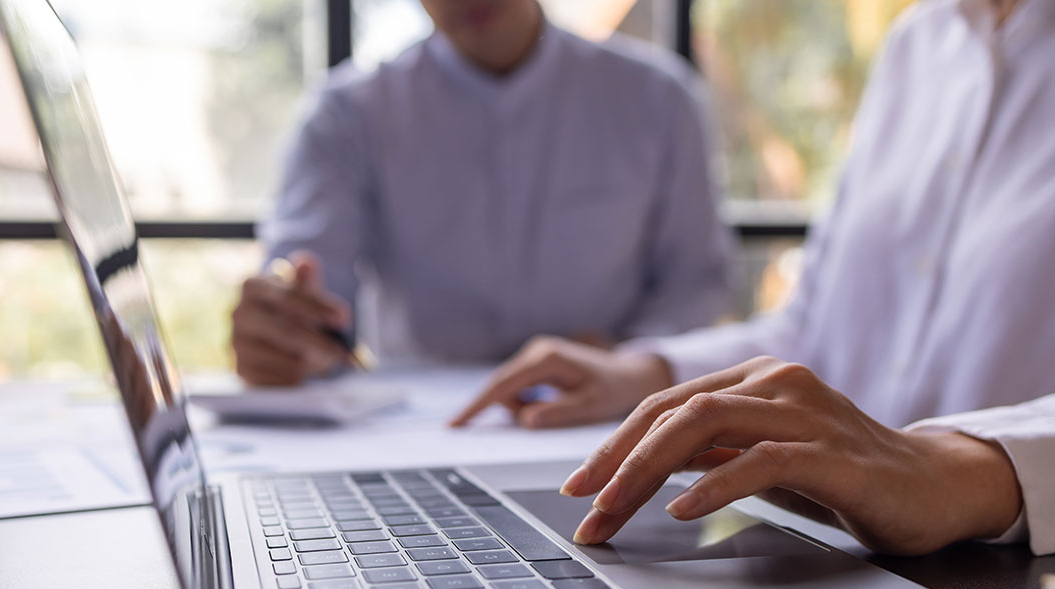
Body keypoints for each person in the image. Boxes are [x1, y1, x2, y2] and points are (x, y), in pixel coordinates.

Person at [452, 0, 1055, 557]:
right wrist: (647, 374)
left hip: (1016, 585)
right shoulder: (920, 41)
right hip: (840, 553)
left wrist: (962, 468)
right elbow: (818, 325)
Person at [230, 0, 734, 386]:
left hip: (608, 424)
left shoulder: (658, 100)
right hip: (415, 433)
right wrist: (285, 334)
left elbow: (697, 281)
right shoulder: (347, 115)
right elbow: (310, 293)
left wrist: (623, 354)